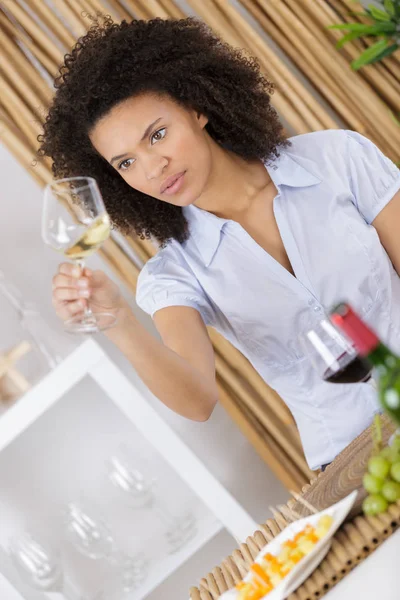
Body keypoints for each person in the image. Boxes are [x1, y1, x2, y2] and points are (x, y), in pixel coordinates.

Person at [38, 16, 400, 472]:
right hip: (353, 468)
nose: (153, 168)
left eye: (157, 134)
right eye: (126, 162)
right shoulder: (175, 275)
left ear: (197, 107)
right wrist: (118, 322)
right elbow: (197, 400)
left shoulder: (337, 158)